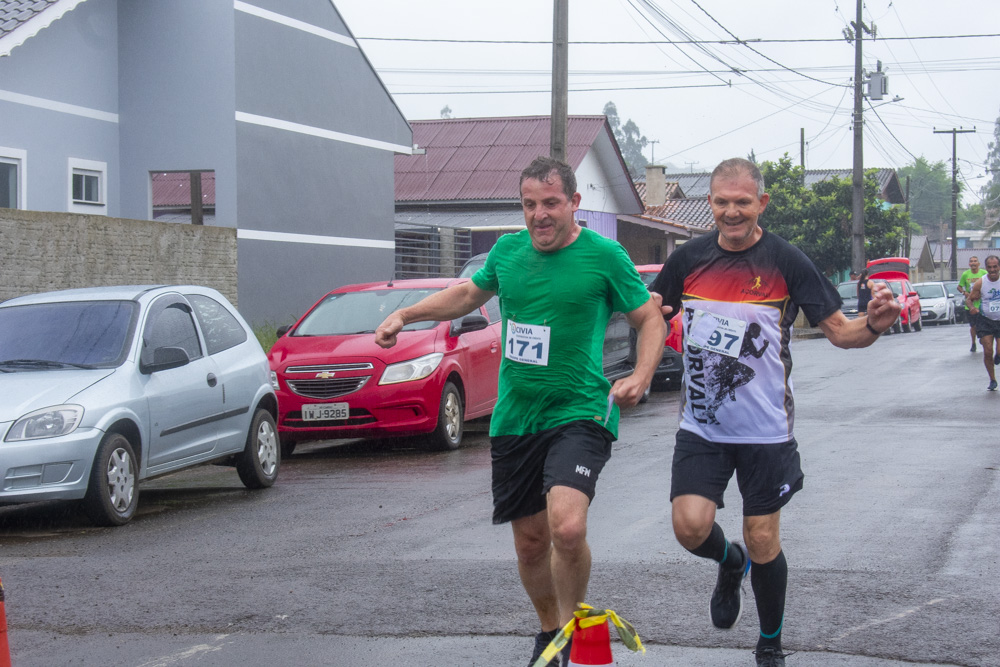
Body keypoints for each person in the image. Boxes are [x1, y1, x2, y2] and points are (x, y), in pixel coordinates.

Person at [374, 156, 667, 666]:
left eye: (551, 203)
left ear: (574, 203)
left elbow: (649, 319)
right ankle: (549, 631)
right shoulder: (507, 252)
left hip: (580, 410)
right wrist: (406, 313)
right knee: (531, 544)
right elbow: (468, 293)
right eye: (530, 204)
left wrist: (641, 375)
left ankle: (576, 634)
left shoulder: (605, 256)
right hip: (515, 417)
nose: (539, 215)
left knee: (567, 527)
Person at [648, 158, 901, 667]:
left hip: (766, 428)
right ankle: (728, 562)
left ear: (761, 203)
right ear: (710, 205)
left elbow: (840, 332)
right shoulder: (689, 260)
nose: (732, 212)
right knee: (689, 527)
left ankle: (770, 644)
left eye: (743, 202)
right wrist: (643, 342)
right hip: (703, 424)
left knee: (763, 535)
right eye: (722, 202)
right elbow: (652, 314)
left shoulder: (787, 261)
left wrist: (873, 323)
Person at [965, 255, 1000, 391]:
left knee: (998, 350)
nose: (992, 270)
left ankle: (998, 354)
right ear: (986, 268)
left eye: (995, 267)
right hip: (986, 320)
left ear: (999, 267)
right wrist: (973, 308)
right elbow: (969, 299)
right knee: (987, 351)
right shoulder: (981, 283)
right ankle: (992, 379)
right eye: (990, 267)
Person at [958, 256, 988, 352]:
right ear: (969, 264)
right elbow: (959, 287)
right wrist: (965, 293)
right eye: (971, 261)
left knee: (982, 325)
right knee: (973, 326)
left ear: (978, 264)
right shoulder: (965, 274)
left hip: (982, 304)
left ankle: (982, 338)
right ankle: (973, 343)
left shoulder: (984, 273)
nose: (973, 263)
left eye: (975, 261)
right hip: (970, 305)